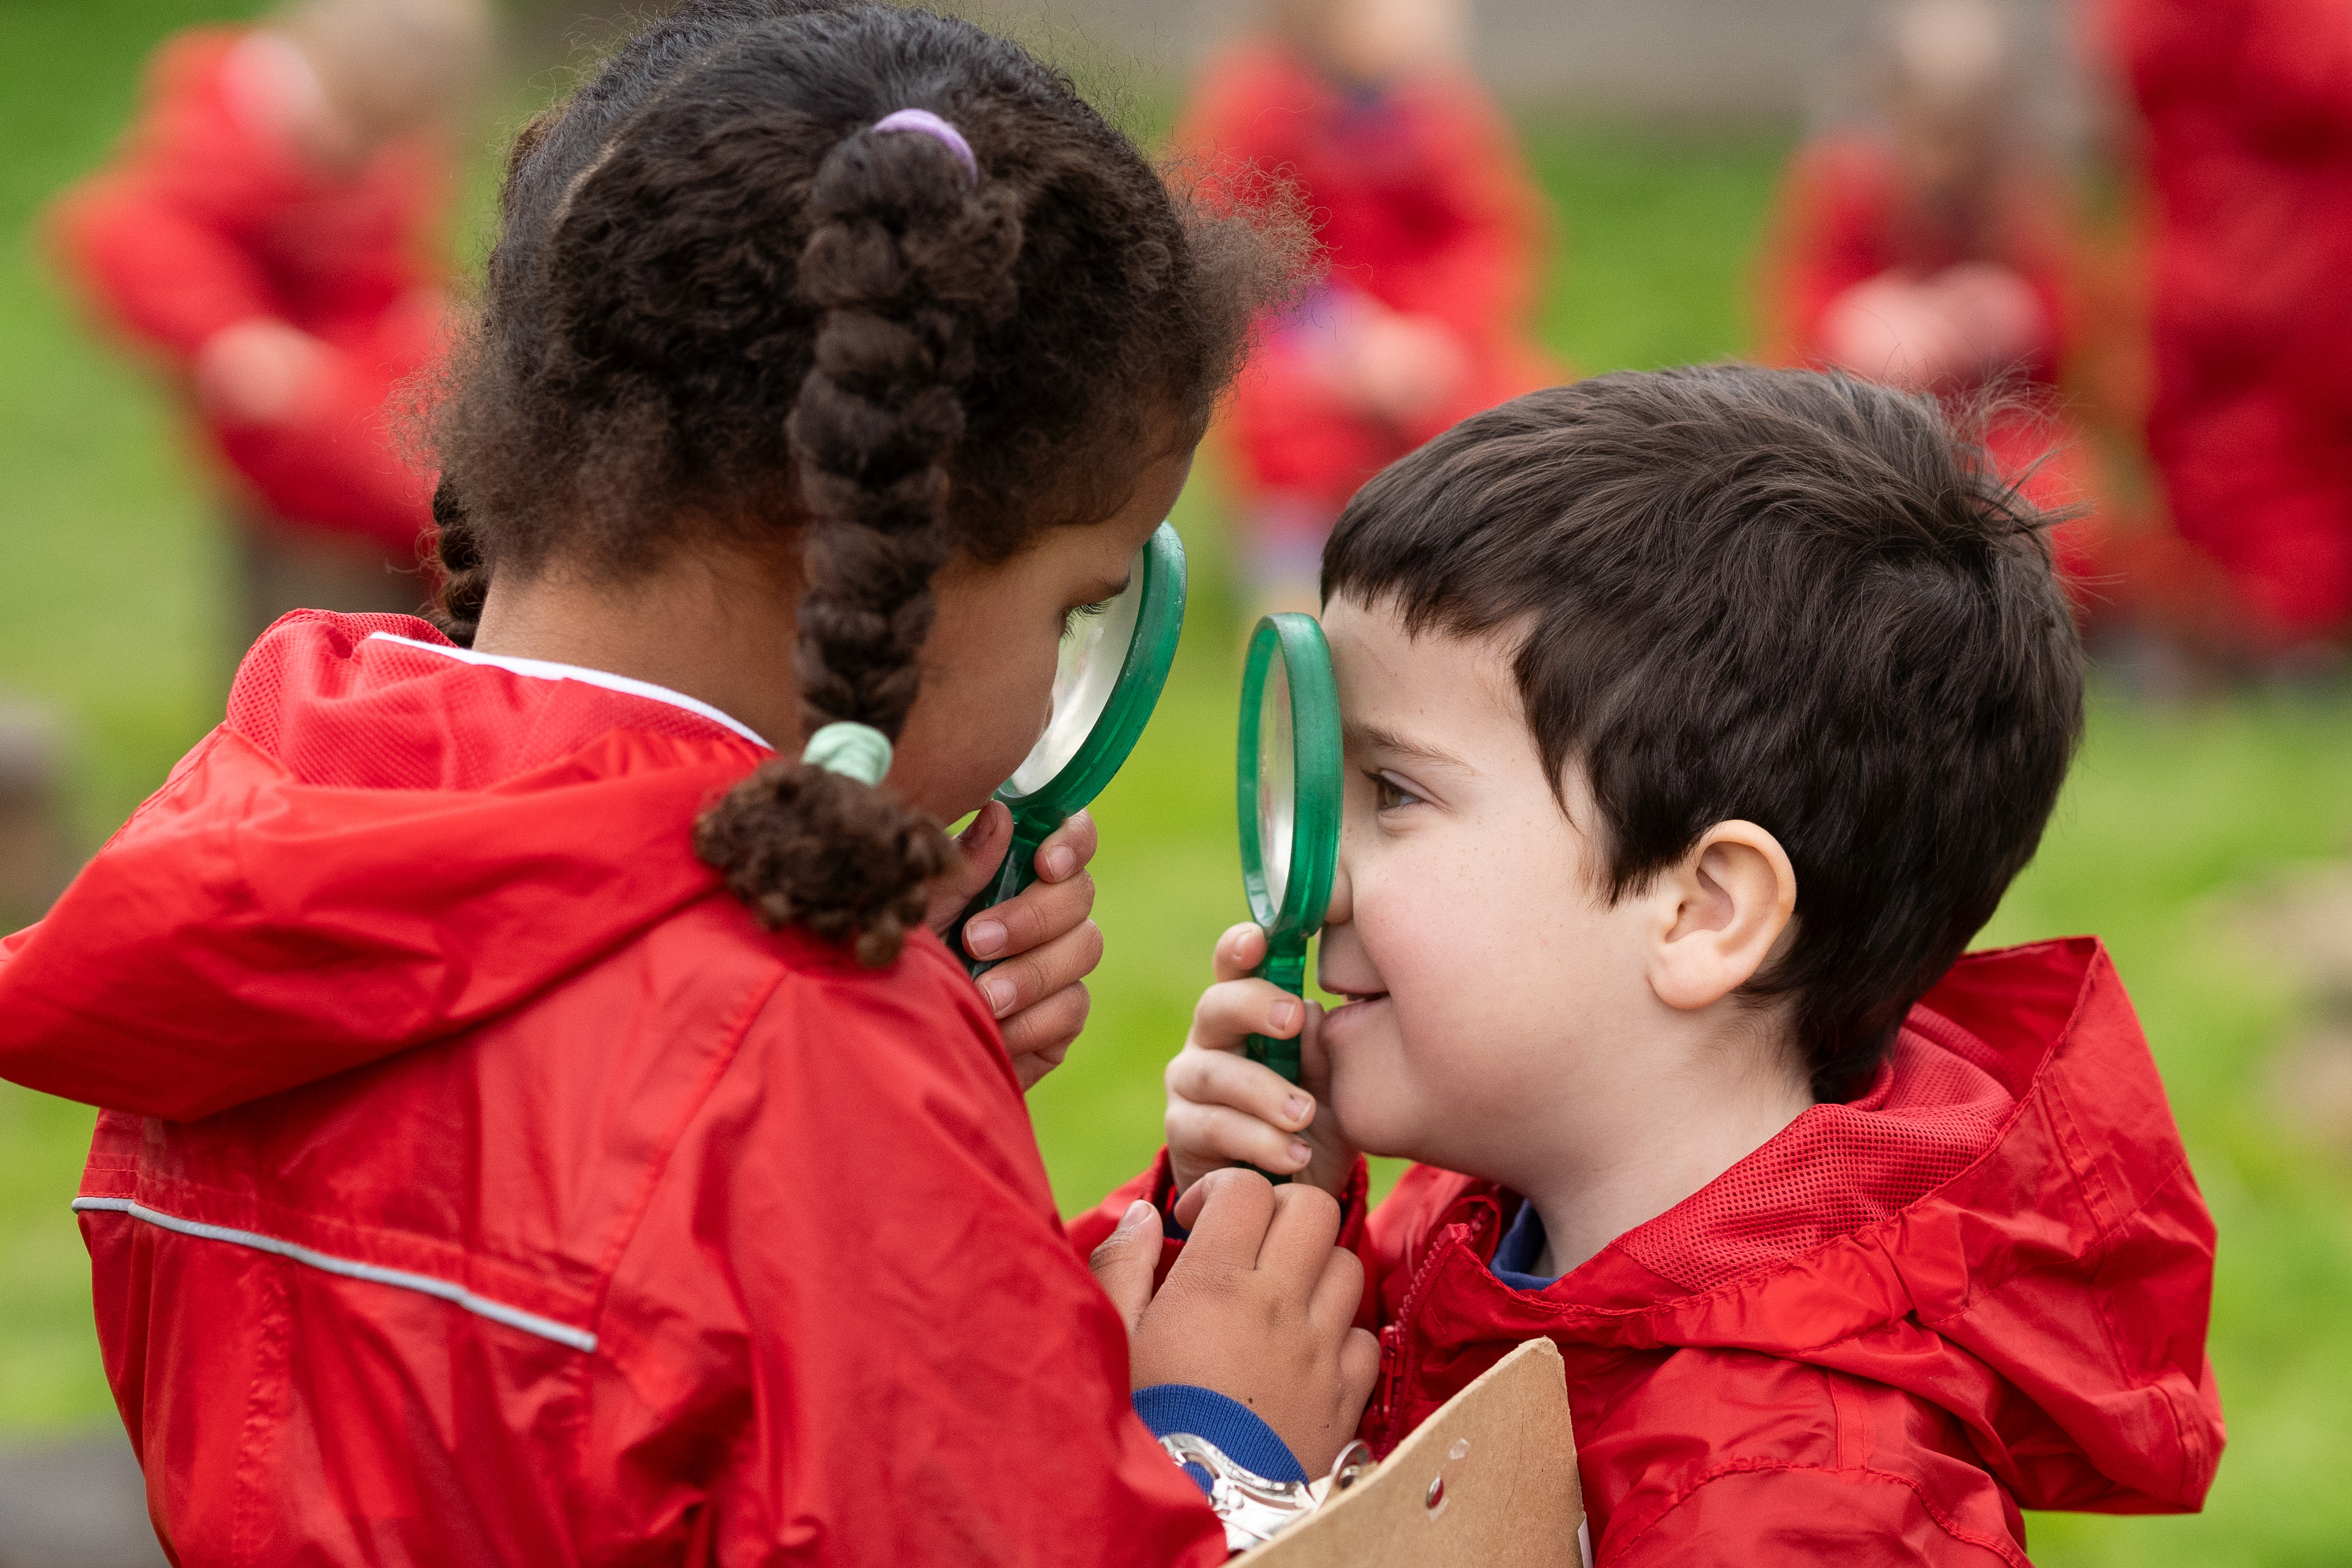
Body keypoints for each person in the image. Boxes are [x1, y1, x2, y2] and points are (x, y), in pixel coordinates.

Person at [0, 4, 1379, 1561]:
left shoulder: (259, 855)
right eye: (1074, 604)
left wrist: (908, 1123)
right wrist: (1220, 1447)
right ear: (876, 539)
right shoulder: (804, 1064)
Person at [1079, 367, 2226, 1564]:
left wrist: (1220, 1478)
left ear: (1702, 912)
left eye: (1395, 793)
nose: (1316, 881)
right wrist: (1225, 1233)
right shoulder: (1471, 1239)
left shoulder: (1808, 1502)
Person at [47, 0, 492, 644]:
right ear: (300, 73)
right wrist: (227, 330)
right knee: (363, 532)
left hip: (354, 365)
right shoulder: (222, 136)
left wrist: (411, 303)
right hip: (287, 419)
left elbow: (375, 262)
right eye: (344, 128)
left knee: (435, 450)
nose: (350, 152)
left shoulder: (379, 150)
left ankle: (456, 587)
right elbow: (130, 235)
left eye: (378, 141)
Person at [1175, 0, 1563, 620]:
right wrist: (1347, 342)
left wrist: (1438, 335)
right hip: (1304, 340)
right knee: (1289, 435)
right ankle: (1288, 607)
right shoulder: (1256, 106)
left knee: (1508, 414)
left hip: (1427, 343)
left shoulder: (1442, 113)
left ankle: (1473, 586)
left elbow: (1486, 234)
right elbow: (1231, 238)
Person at [1758, 0, 2120, 614]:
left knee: (2062, 518)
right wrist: (1860, 321)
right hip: (1862, 423)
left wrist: (2018, 316)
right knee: (1804, 518)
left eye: (1971, 137)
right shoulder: (1846, 185)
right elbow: (1798, 305)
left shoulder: (2026, 195)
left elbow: (2076, 326)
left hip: (1992, 423)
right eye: (1932, 135)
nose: (1949, 163)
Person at [2100, 0, 2352, 666]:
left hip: (2211, 263)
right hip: (2280, 268)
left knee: (2237, 463)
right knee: (2255, 463)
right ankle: (2267, 624)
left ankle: (2238, 623)